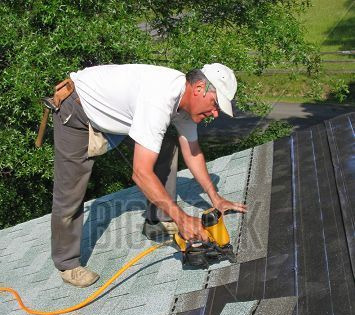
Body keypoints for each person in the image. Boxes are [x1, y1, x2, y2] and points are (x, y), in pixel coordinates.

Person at [51, 63, 247, 287]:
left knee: (167, 146)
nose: (214, 113)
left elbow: (192, 152)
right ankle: (67, 263)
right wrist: (182, 219)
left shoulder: (184, 103)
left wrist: (216, 198)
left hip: (114, 113)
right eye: (214, 104)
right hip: (77, 110)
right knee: (70, 191)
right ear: (199, 88)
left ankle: (157, 221)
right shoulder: (159, 99)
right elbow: (141, 173)